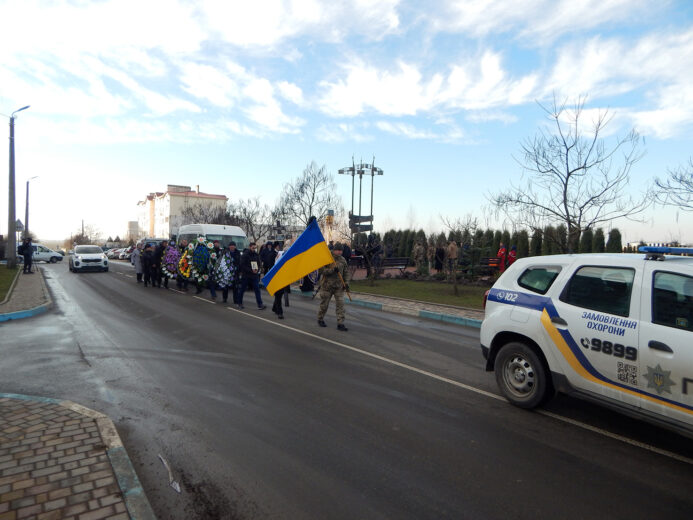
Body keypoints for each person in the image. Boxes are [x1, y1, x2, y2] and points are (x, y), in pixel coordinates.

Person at [317, 242, 350, 331]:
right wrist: (332, 270)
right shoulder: (328, 258)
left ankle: (340, 323)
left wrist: (346, 283)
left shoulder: (343, 260)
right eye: (338, 250)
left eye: (341, 251)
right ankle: (320, 319)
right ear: (334, 250)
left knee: (340, 305)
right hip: (327, 286)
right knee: (324, 304)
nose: (340, 252)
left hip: (339, 287)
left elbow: (346, 272)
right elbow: (321, 271)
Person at [239, 242, 266, 310]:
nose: (254, 249)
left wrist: (258, 269)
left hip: (254, 275)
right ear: (250, 247)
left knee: (257, 290)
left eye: (255, 248)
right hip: (246, 275)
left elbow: (259, 263)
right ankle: (239, 303)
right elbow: (242, 265)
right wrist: (251, 270)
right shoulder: (245, 255)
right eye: (253, 248)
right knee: (242, 289)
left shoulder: (256, 255)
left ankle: (260, 304)